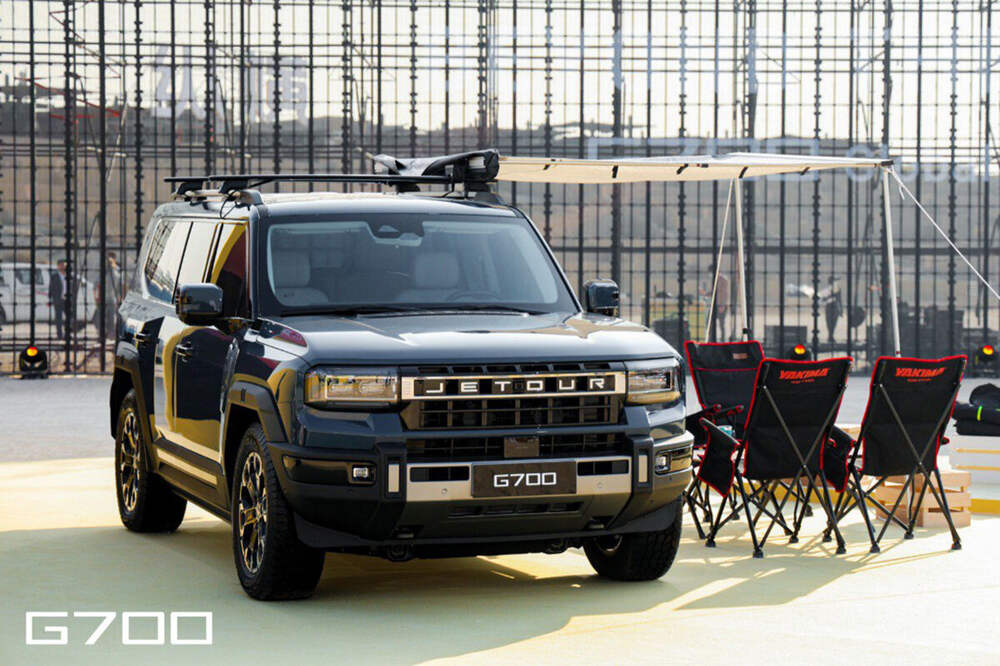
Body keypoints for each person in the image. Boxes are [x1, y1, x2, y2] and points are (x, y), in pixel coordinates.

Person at [50, 259, 73, 341]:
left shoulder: (69, 275)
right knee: (58, 319)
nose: (63, 267)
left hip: (68, 300)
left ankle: (68, 334)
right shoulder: (54, 276)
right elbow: (51, 288)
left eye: (64, 265)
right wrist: (52, 298)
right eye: (61, 265)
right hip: (58, 300)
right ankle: (59, 335)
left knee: (69, 318)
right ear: (58, 266)